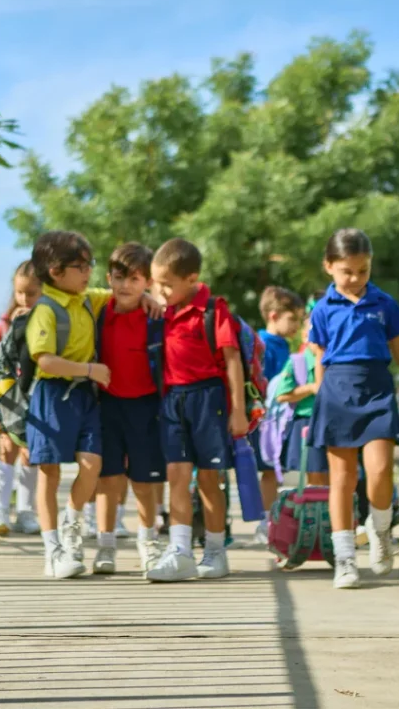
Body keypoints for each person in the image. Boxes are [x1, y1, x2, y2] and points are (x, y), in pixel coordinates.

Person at [25, 230, 160, 579]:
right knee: (49, 472)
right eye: (80, 266)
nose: (88, 273)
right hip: (52, 395)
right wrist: (90, 369)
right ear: (55, 271)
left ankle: (71, 525)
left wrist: (149, 297)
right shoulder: (45, 309)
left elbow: (125, 293)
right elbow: (45, 361)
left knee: (92, 464)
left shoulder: (89, 298)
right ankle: (53, 549)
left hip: (86, 396)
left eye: (90, 266)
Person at [306, 228, 399, 590]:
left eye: (363, 270)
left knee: (379, 472)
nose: (356, 278)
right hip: (336, 393)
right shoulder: (322, 309)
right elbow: (319, 356)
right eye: (347, 271)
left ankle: (379, 532)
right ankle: (344, 559)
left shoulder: (383, 303)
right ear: (329, 266)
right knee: (342, 480)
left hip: (377, 390)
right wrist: (320, 397)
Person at [146, 238, 249, 582]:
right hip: (173, 399)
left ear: (192, 279)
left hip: (209, 398)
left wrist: (238, 410)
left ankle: (216, 551)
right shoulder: (164, 311)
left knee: (209, 478)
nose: (160, 290)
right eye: (156, 283)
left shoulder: (213, 310)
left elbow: (232, 360)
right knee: (176, 472)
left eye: (166, 284)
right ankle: (180, 551)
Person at [93, 242, 166, 575]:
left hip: (146, 406)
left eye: (135, 279)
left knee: (144, 482)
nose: (126, 285)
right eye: (120, 277)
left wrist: (154, 301)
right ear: (109, 278)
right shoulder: (98, 310)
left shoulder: (155, 317)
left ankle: (148, 542)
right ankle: (105, 546)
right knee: (108, 479)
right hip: (107, 405)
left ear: (147, 282)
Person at [0, 262, 41, 536]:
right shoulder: (6, 322)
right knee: (6, 449)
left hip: (35, 393)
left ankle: (26, 511)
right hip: (7, 395)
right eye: (20, 293)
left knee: (29, 453)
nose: (25, 299)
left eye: (31, 293)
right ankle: (0, 510)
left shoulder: (46, 321)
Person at [253, 286, 305, 543]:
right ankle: (266, 521)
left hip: (282, 418)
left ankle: (275, 519)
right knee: (269, 471)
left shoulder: (285, 346)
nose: (296, 324)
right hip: (267, 421)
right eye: (292, 318)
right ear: (274, 315)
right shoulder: (261, 344)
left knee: (278, 471)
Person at [277, 306, 329, 486]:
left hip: (332, 422)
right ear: (305, 336)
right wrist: (310, 388)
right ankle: (317, 511)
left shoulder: (335, 362)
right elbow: (282, 395)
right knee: (315, 475)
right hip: (307, 422)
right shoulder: (297, 362)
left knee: (337, 474)